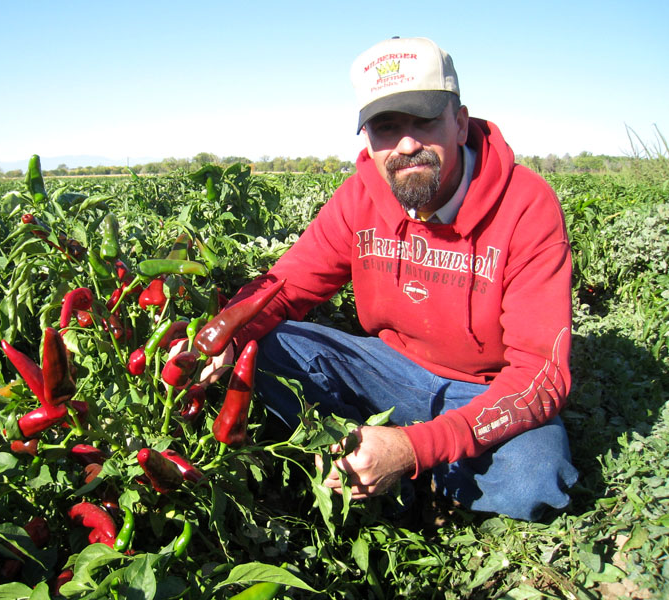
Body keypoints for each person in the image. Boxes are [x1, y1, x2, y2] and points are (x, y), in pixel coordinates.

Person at [204, 36, 578, 521]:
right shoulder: (359, 198)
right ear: (367, 139)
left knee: (535, 478)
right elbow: (288, 285)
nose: (406, 144)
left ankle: (396, 462)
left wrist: (412, 448)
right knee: (263, 345)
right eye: (386, 127)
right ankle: (370, 459)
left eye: (424, 120)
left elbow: (541, 375)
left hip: (484, 388)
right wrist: (226, 334)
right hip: (388, 368)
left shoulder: (527, 206)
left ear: (460, 122)